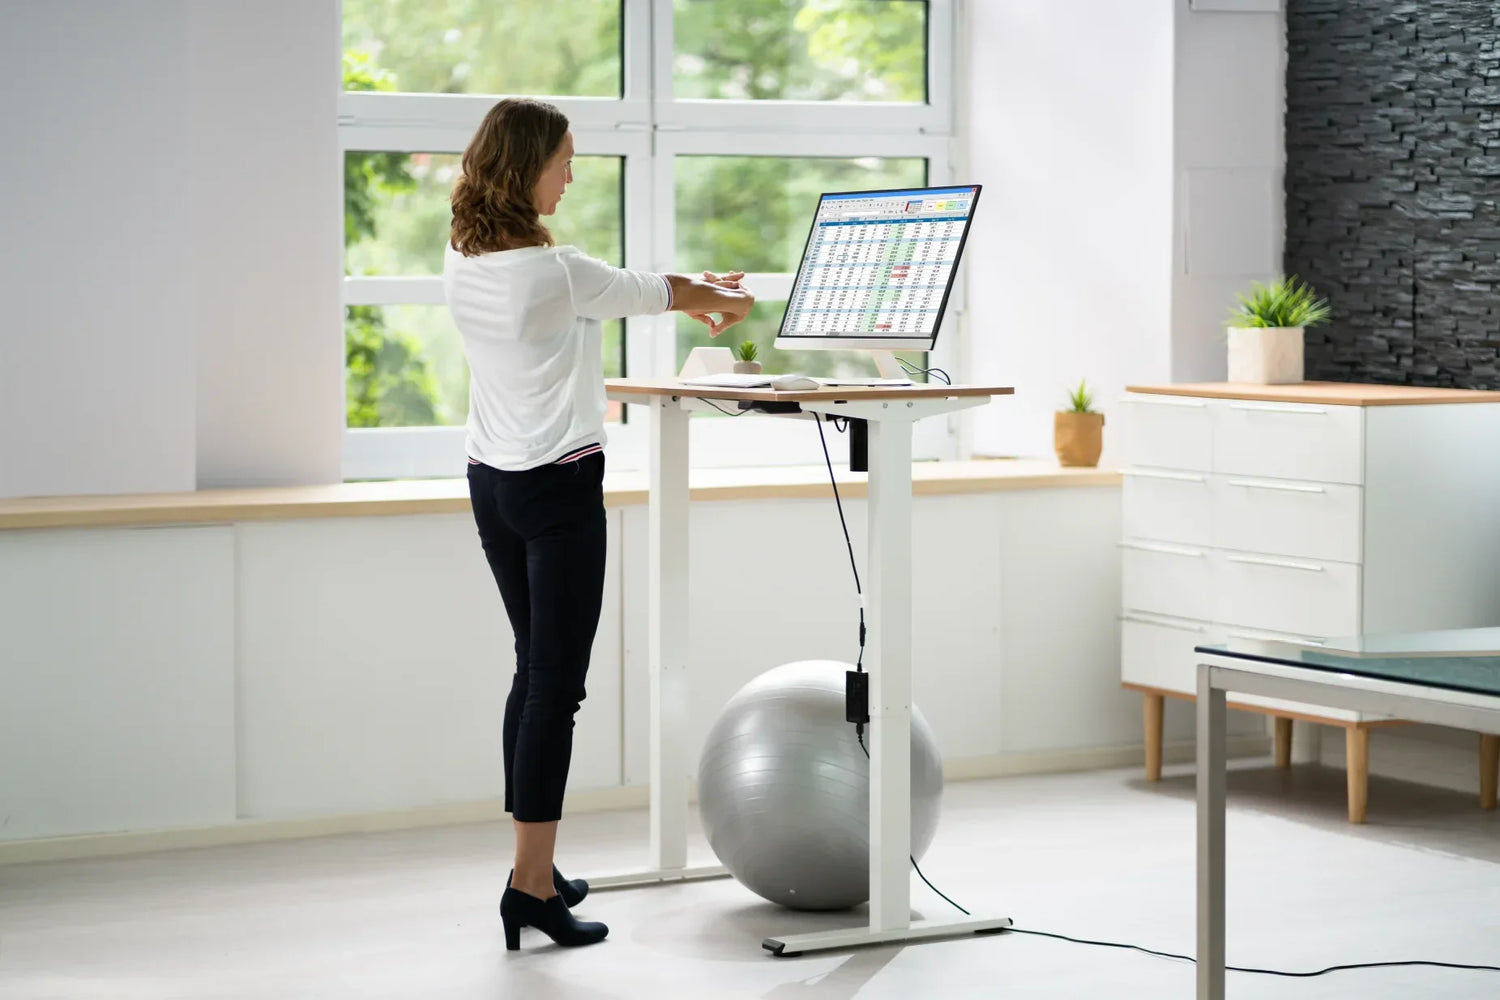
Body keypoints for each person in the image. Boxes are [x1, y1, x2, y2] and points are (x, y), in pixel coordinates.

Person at [443, 97, 754, 951]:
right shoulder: (555, 271)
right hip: (557, 490)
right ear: (525, 166)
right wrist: (718, 296)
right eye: (564, 160)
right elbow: (647, 291)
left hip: (491, 483)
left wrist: (682, 295)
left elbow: (606, 306)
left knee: (531, 674)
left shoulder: (464, 256)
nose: (572, 174)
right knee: (558, 687)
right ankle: (532, 889)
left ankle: (530, 868)